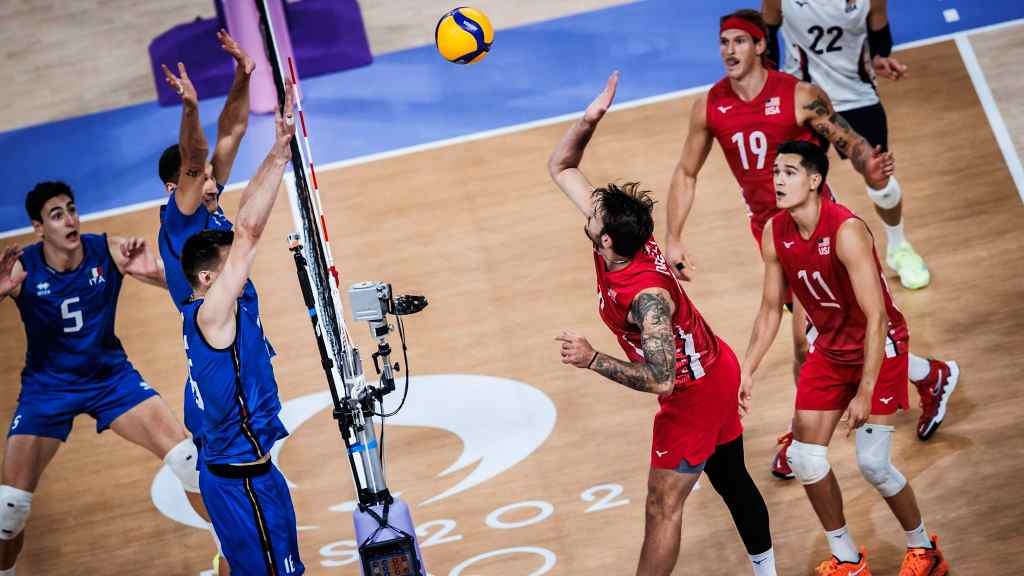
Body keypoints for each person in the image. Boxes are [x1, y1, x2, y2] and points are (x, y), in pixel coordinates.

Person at [666, 9, 957, 479]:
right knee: (822, 337)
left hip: (820, 228)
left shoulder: (798, 96)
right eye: (724, 43)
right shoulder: (710, 106)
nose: (729, 51)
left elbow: (847, 137)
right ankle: (929, 375)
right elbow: (686, 172)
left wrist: (870, 166)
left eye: (740, 41)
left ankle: (804, 434)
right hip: (770, 234)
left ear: (762, 46)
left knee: (812, 338)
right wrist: (673, 236)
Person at [552, 72, 777, 576]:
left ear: (605, 240)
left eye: (596, 216)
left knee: (662, 507)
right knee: (731, 478)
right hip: (716, 368)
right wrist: (589, 120)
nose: (590, 212)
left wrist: (592, 360)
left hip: (694, 392)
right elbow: (562, 165)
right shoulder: (617, 238)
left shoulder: (646, 297)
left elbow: (662, 378)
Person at [741, 140, 949, 575]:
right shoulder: (774, 232)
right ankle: (847, 559)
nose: (778, 179)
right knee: (803, 458)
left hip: (880, 347)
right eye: (776, 171)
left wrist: (866, 390)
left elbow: (876, 318)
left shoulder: (847, 231)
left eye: (791, 172)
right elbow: (768, 309)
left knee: (872, 463)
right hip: (831, 351)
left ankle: (924, 549)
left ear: (816, 181)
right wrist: (748, 369)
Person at [0, 182, 213, 574]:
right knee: (8, 507)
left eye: (71, 208)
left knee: (187, 459)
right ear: (38, 228)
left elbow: (187, 286)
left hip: (110, 379)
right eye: (57, 214)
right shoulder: (22, 267)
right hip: (47, 390)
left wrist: (151, 270)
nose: (70, 219)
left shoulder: (108, 250)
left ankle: (231, 552)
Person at [180, 80, 303, 575]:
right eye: (230, 268)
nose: (242, 271)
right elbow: (250, 234)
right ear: (208, 279)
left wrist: (275, 154)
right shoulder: (213, 314)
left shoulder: (212, 305)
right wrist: (280, 152)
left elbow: (240, 225)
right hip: (241, 482)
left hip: (245, 470)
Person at [157, 32, 255, 574]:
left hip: (237, 345)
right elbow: (196, 153)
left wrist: (243, 75)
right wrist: (191, 106)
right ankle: (231, 554)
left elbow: (234, 128)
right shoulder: (182, 218)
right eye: (199, 177)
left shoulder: (209, 207)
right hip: (216, 354)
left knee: (246, 481)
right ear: (177, 188)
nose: (213, 179)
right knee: (236, 483)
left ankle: (232, 548)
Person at [762, 0, 930, 290]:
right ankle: (813, 259)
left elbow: (880, 39)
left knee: (880, 178)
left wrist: (880, 58)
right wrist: (771, 90)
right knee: (797, 182)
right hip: (804, 102)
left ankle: (898, 248)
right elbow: (767, 42)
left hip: (857, 97)